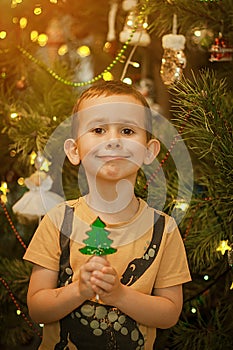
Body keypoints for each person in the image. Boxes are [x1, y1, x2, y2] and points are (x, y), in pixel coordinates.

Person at [24, 80, 191, 350]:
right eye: (99, 129)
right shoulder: (58, 221)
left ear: (149, 152)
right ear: (74, 151)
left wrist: (119, 295)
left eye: (127, 130)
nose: (113, 141)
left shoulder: (164, 228)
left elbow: (169, 314)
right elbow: (38, 309)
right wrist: (79, 290)